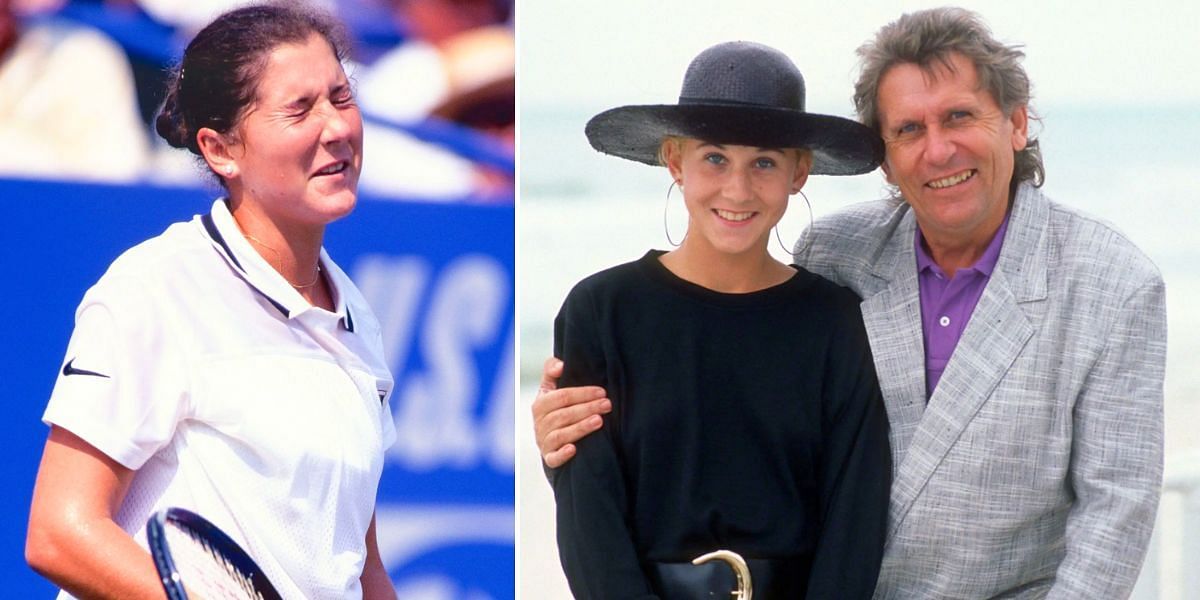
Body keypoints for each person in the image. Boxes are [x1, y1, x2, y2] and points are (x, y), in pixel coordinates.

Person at [534, 7, 1167, 599]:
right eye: (909, 129)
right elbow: (688, 444)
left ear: (1017, 123)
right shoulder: (840, 254)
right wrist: (561, 449)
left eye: (959, 117)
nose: (937, 149)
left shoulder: (1112, 284)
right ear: (887, 159)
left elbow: (1115, 511)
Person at [25, 4, 397, 599]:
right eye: (299, 109)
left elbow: (359, 565)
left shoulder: (358, 317)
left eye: (340, 97)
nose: (336, 127)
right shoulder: (154, 288)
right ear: (221, 150)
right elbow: (60, 532)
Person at [550, 41, 892, 599]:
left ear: (799, 172)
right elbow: (590, 517)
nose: (737, 189)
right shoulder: (600, 310)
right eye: (714, 157)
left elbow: (855, 516)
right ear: (675, 161)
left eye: (764, 162)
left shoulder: (838, 322)